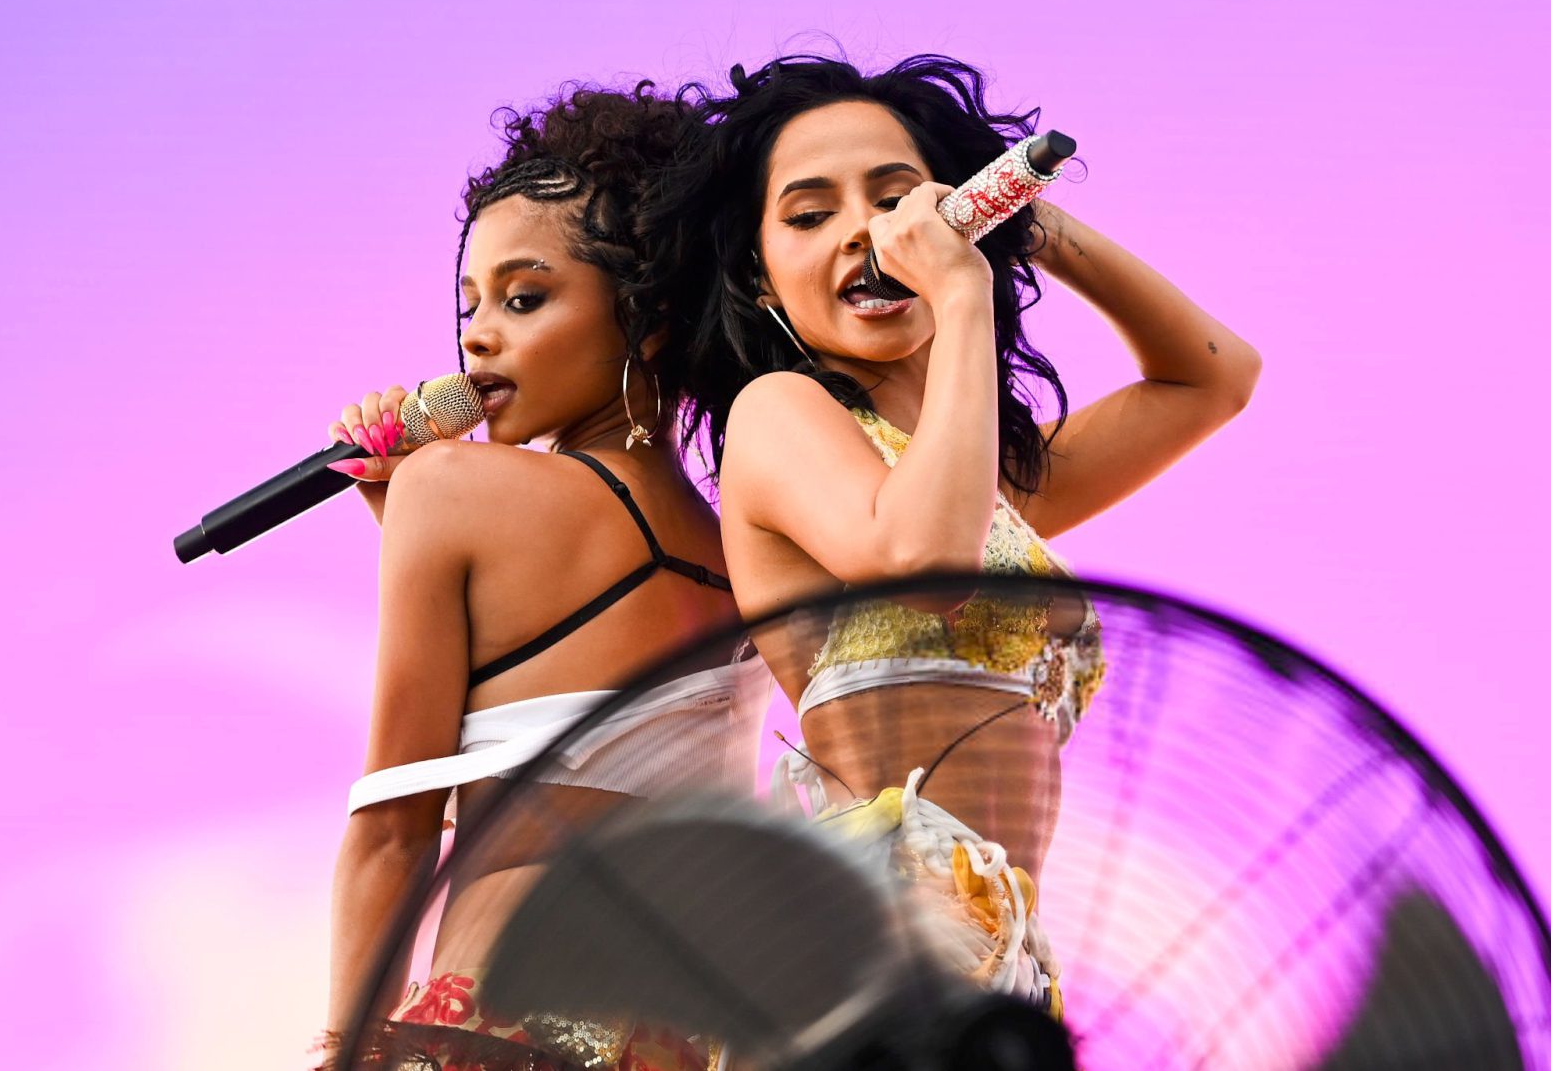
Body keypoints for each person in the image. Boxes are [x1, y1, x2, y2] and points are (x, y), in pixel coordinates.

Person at [649, 54, 1262, 1016]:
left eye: (898, 198)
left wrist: (1017, 215)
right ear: (760, 279)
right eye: (809, 215)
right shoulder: (779, 415)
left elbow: (1213, 377)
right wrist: (964, 289)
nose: (869, 231)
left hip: (996, 964)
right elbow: (925, 565)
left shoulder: (977, 487)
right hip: (865, 946)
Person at [313, 84, 767, 1071]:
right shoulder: (744, 548)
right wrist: (407, 513)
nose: (478, 336)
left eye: (524, 298)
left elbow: (394, 834)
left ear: (647, 316)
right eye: (469, 305)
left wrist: (346, 1053)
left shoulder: (454, 486)